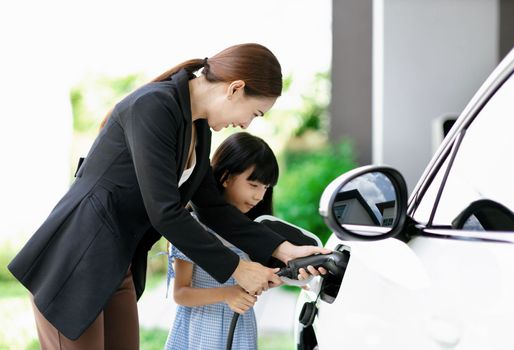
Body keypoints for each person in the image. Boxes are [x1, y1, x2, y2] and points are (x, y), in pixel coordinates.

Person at [8, 43, 329, 349]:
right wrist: (238, 269)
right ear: (235, 88)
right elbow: (165, 211)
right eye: (255, 113)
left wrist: (286, 250)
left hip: (117, 266)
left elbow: (213, 208)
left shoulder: (198, 128)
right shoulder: (153, 107)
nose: (245, 124)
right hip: (75, 262)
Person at [165, 132, 278, 350]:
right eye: (254, 185)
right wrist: (227, 294)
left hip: (240, 327)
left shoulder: (254, 229)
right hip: (202, 327)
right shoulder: (193, 227)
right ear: (226, 177)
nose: (260, 196)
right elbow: (181, 293)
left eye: (266, 188)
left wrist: (272, 279)